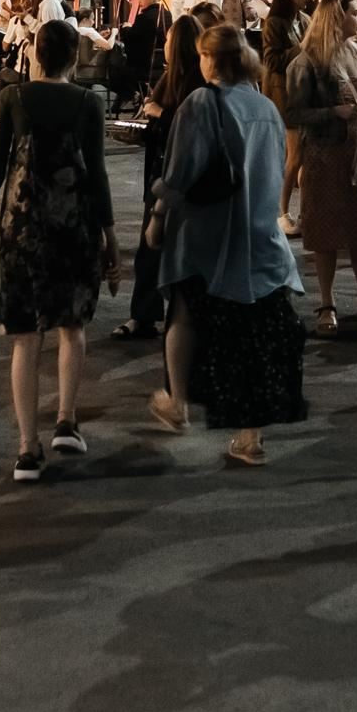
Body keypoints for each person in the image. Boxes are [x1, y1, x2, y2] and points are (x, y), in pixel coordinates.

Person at [145, 25, 308, 464]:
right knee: (250, 333)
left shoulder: (201, 102)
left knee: (184, 308)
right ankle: (249, 436)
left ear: (209, 59)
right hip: (257, 232)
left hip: (204, 231)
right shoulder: (265, 107)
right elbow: (276, 169)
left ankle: (176, 401)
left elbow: (179, 172)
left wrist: (158, 219)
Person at [0, 19, 118, 475]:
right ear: (75, 58)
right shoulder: (89, 103)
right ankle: (67, 421)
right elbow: (100, 173)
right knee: (72, 326)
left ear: (35, 55)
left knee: (25, 337)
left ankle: (28, 447)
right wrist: (111, 237)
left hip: (22, 227)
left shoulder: (13, 97)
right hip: (75, 224)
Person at [285, 0, 357, 338]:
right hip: (323, 156)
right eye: (356, 13)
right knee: (324, 236)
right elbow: (293, 112)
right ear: (337, 17)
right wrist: (332, 112)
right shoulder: (307, 61)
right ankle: (327, 303)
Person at [116, 15, 204, 343]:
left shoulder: (196, 83)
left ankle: (177, 318)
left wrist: (159, 114)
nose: (163, 45)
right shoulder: (170, 77)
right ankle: (145, 315)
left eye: (168, 39)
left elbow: (189, 127)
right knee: (147, 251)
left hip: (177, 177)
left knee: (161, 245)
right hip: (159, 170)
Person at [261, 0, 308, 233]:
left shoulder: (303, 20)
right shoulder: (274, 23)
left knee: (304, 155)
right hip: (284, 95)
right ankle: (282, 212)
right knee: (294, 155)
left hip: (304, 93)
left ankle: (304, 211)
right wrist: (300, 48)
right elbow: (271, 62)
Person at [114, 0, 168, 102]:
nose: (139, 1)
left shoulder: (144, 17)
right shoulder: (167, 14)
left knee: (115, 71)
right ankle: (144, 95)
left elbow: (131, 38)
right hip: (163, 61)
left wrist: (125, 28)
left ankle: (137, 96)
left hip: (144, 64)